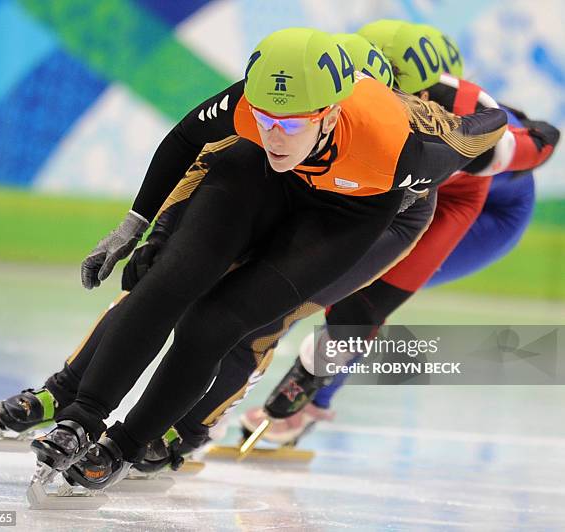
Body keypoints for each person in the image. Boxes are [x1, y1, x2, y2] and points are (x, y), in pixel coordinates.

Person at [20, 27, 505, 489]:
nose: (274, 133)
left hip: (346, 213)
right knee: (167, 284)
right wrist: (139, 223)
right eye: (266, 119)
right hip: (261, 181)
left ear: (331, 113)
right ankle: (81, 419)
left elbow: (487, 130)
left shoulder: (408, 146)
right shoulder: (257, 103)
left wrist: (486, 130)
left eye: (290, 123)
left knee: (214, 325)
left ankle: (125, 445)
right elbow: (188, 141)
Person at [240, 20, 560, 445]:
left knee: (365, 297)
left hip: (480, 209)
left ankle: (307, 403)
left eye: (398, 100)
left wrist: (303, 384)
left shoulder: (471, 140)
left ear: (427, 97)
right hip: (418, 186)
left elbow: (538, 143)